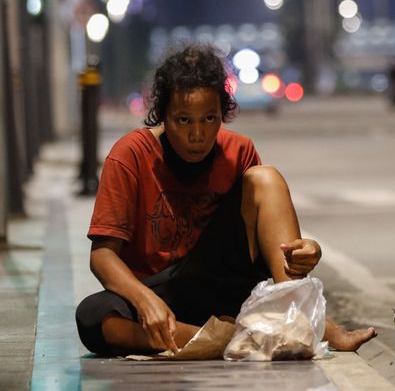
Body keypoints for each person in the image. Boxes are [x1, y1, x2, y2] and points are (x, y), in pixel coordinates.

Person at [75, 43, 377, 356]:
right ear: (162, 115)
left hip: (223, 286)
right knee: (95, 318)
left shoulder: (238, 152)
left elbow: (266, 242)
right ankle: (231, 338)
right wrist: (142, 299)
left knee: (266, 178)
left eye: (209, 119)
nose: (197, 135)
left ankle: (301, 321)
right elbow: (102, 256)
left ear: (223, 113)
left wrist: (305, 252)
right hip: (161, 292)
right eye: (183, 120)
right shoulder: (131, 155)